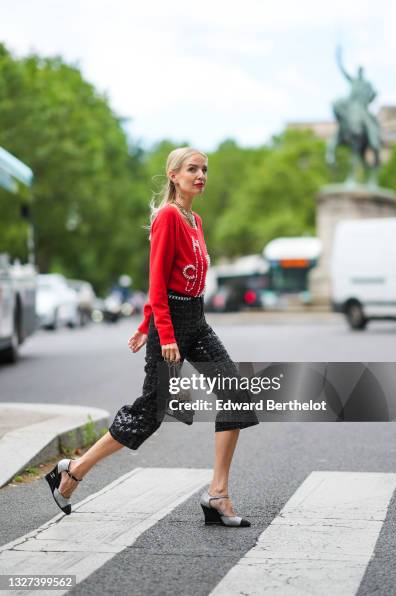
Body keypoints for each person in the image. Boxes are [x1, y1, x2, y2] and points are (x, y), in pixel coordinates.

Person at [45, 147, 259, 527]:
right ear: (173, 175)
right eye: (192, 169)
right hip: (173, 325)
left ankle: (218, 495)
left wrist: (146, 325)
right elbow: (156, 279)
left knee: (235, 395)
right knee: (150, 413)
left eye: (205, 169)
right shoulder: (167, 218)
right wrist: (160, 328)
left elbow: (179, 277)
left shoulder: (195, 220)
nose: (201, 175)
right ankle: (74, 470)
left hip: (197, 320)